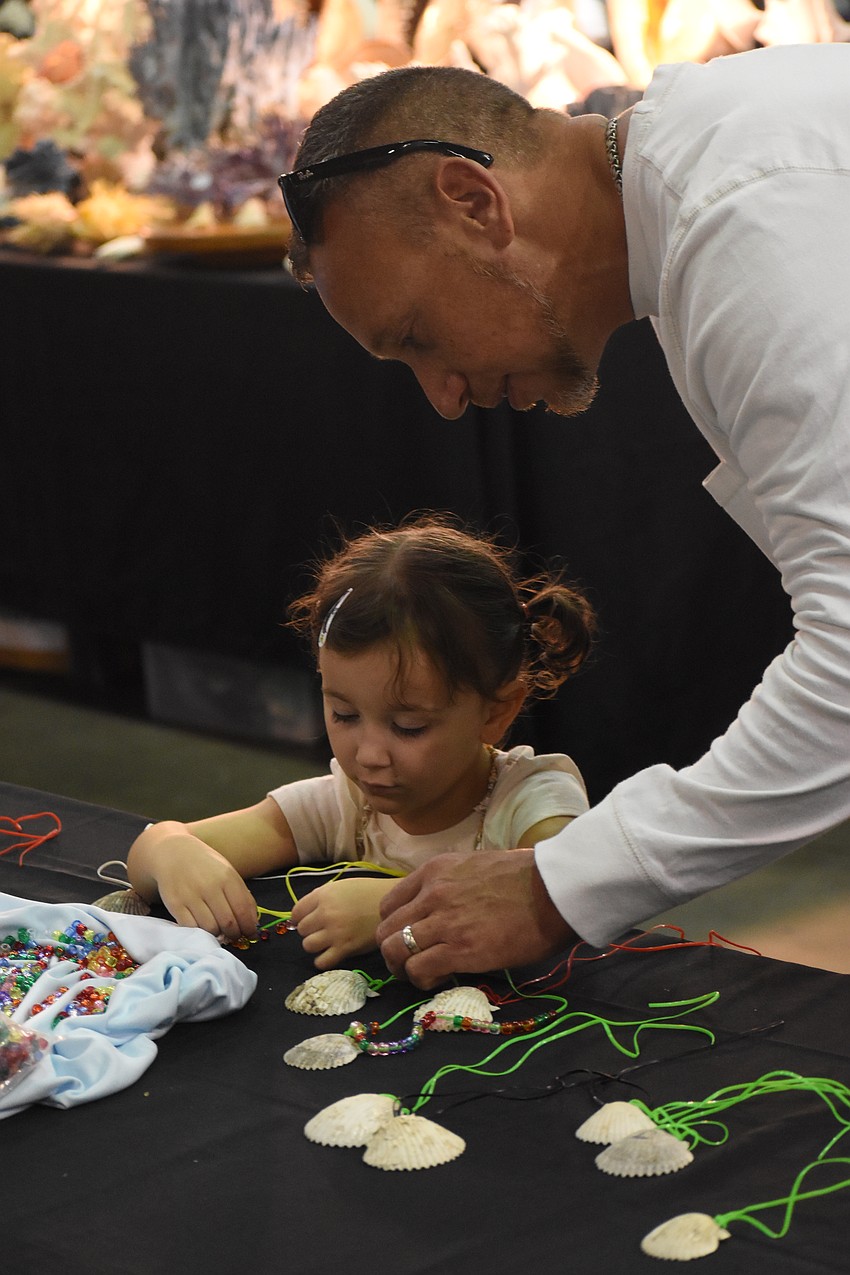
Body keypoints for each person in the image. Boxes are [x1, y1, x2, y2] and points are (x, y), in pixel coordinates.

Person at [277, 43, 850, 986]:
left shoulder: (743, 223)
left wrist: (558, 884)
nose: (446, 397)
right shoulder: (700, 175)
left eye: (419, 338)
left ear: (475, 201)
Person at [126, 516, 595, 968]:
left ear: (497, 712)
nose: (368, 756)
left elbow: (570, 895)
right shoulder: (346, 803)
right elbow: (153, 852)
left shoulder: (534, 801)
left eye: (409, 727)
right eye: (344, 715)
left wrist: (393, 911)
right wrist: (172, 850)